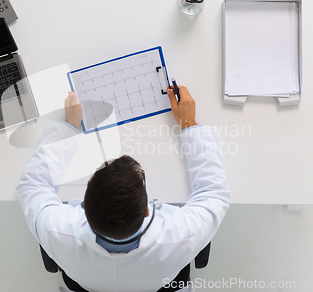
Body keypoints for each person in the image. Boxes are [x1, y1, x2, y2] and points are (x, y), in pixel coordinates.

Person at [17, 85, 230, 292]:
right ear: (147, 210)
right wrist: (189, 123)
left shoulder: (58, 230)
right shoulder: (181, 235)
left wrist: (68, 128)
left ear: (84, 206)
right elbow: (212, 192)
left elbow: (34, 185)